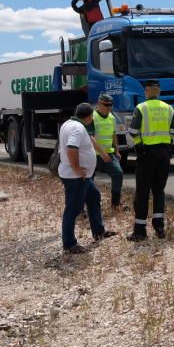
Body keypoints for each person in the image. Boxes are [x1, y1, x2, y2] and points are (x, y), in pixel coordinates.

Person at [58, 103, 117, 254]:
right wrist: (77, 168)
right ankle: (69, 243)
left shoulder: (70, 124)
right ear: (90, 117)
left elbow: (88, 140)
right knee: (73, 208)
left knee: (94, 197)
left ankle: (98, 232)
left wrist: (102, 153)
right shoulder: (77, 128)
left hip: (81, 177)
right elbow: (72, 148)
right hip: (76, 177)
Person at [127, 80, 174, 241]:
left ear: (146, 91)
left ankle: (140, 231)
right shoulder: (168, 108)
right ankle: (159, 226)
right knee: (159, 190)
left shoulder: (141, 108)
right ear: (159, 92)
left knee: (142, 192)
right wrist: (166, 143)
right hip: (164, 154)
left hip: (147, 154)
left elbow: (133, 131)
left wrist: (139, 145)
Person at [89, 93, 124, 212]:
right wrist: (101, 153)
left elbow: (114, 134)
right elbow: (90, 137)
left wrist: (117, 151)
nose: (108, 108)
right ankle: (87, 206)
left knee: (118, 173)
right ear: (99, 103)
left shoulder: (112, 118)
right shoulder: (92, 117)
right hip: (93, 154)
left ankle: (115, 203)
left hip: (109, 153)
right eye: (106, 105)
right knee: (88, 179)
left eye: (110, 105)